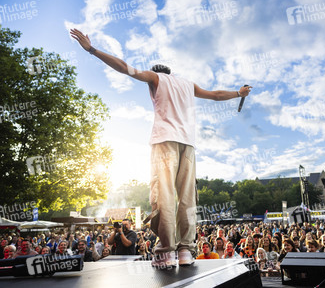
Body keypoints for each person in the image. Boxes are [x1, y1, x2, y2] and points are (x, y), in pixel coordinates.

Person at [70, 28, 251, 268]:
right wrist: (238, 92)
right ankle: (186, 250)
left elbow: (125, 68)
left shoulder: (155, 78)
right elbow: (216, 95)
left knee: (164, 196)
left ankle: (166, 250)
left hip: (165, 141)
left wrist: (92, 50)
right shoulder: (187, 84)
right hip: (188, 144)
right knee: (187, 198)